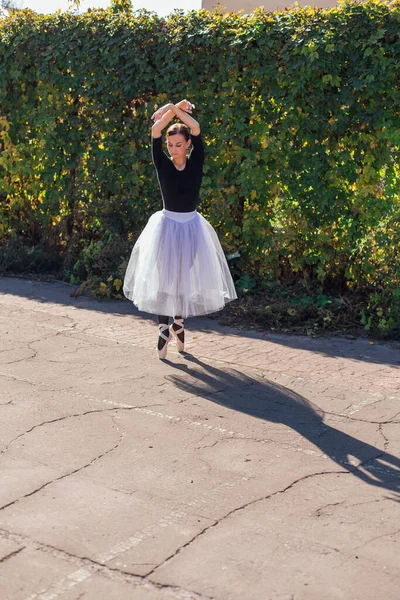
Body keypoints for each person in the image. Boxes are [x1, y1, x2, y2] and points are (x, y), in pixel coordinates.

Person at [123, 99, 237, 359]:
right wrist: (171, 107)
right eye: (170, 145)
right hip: (166, 226)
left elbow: (195, 127)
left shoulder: (196, 161)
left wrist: (175, 111)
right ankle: (164, 327)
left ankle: (178, 321)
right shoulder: (162, 163)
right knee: (165, 278)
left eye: (178, 144)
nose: (173, 149)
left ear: (187, 145)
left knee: (182, 279)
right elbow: (155, 131)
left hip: (192, 227)